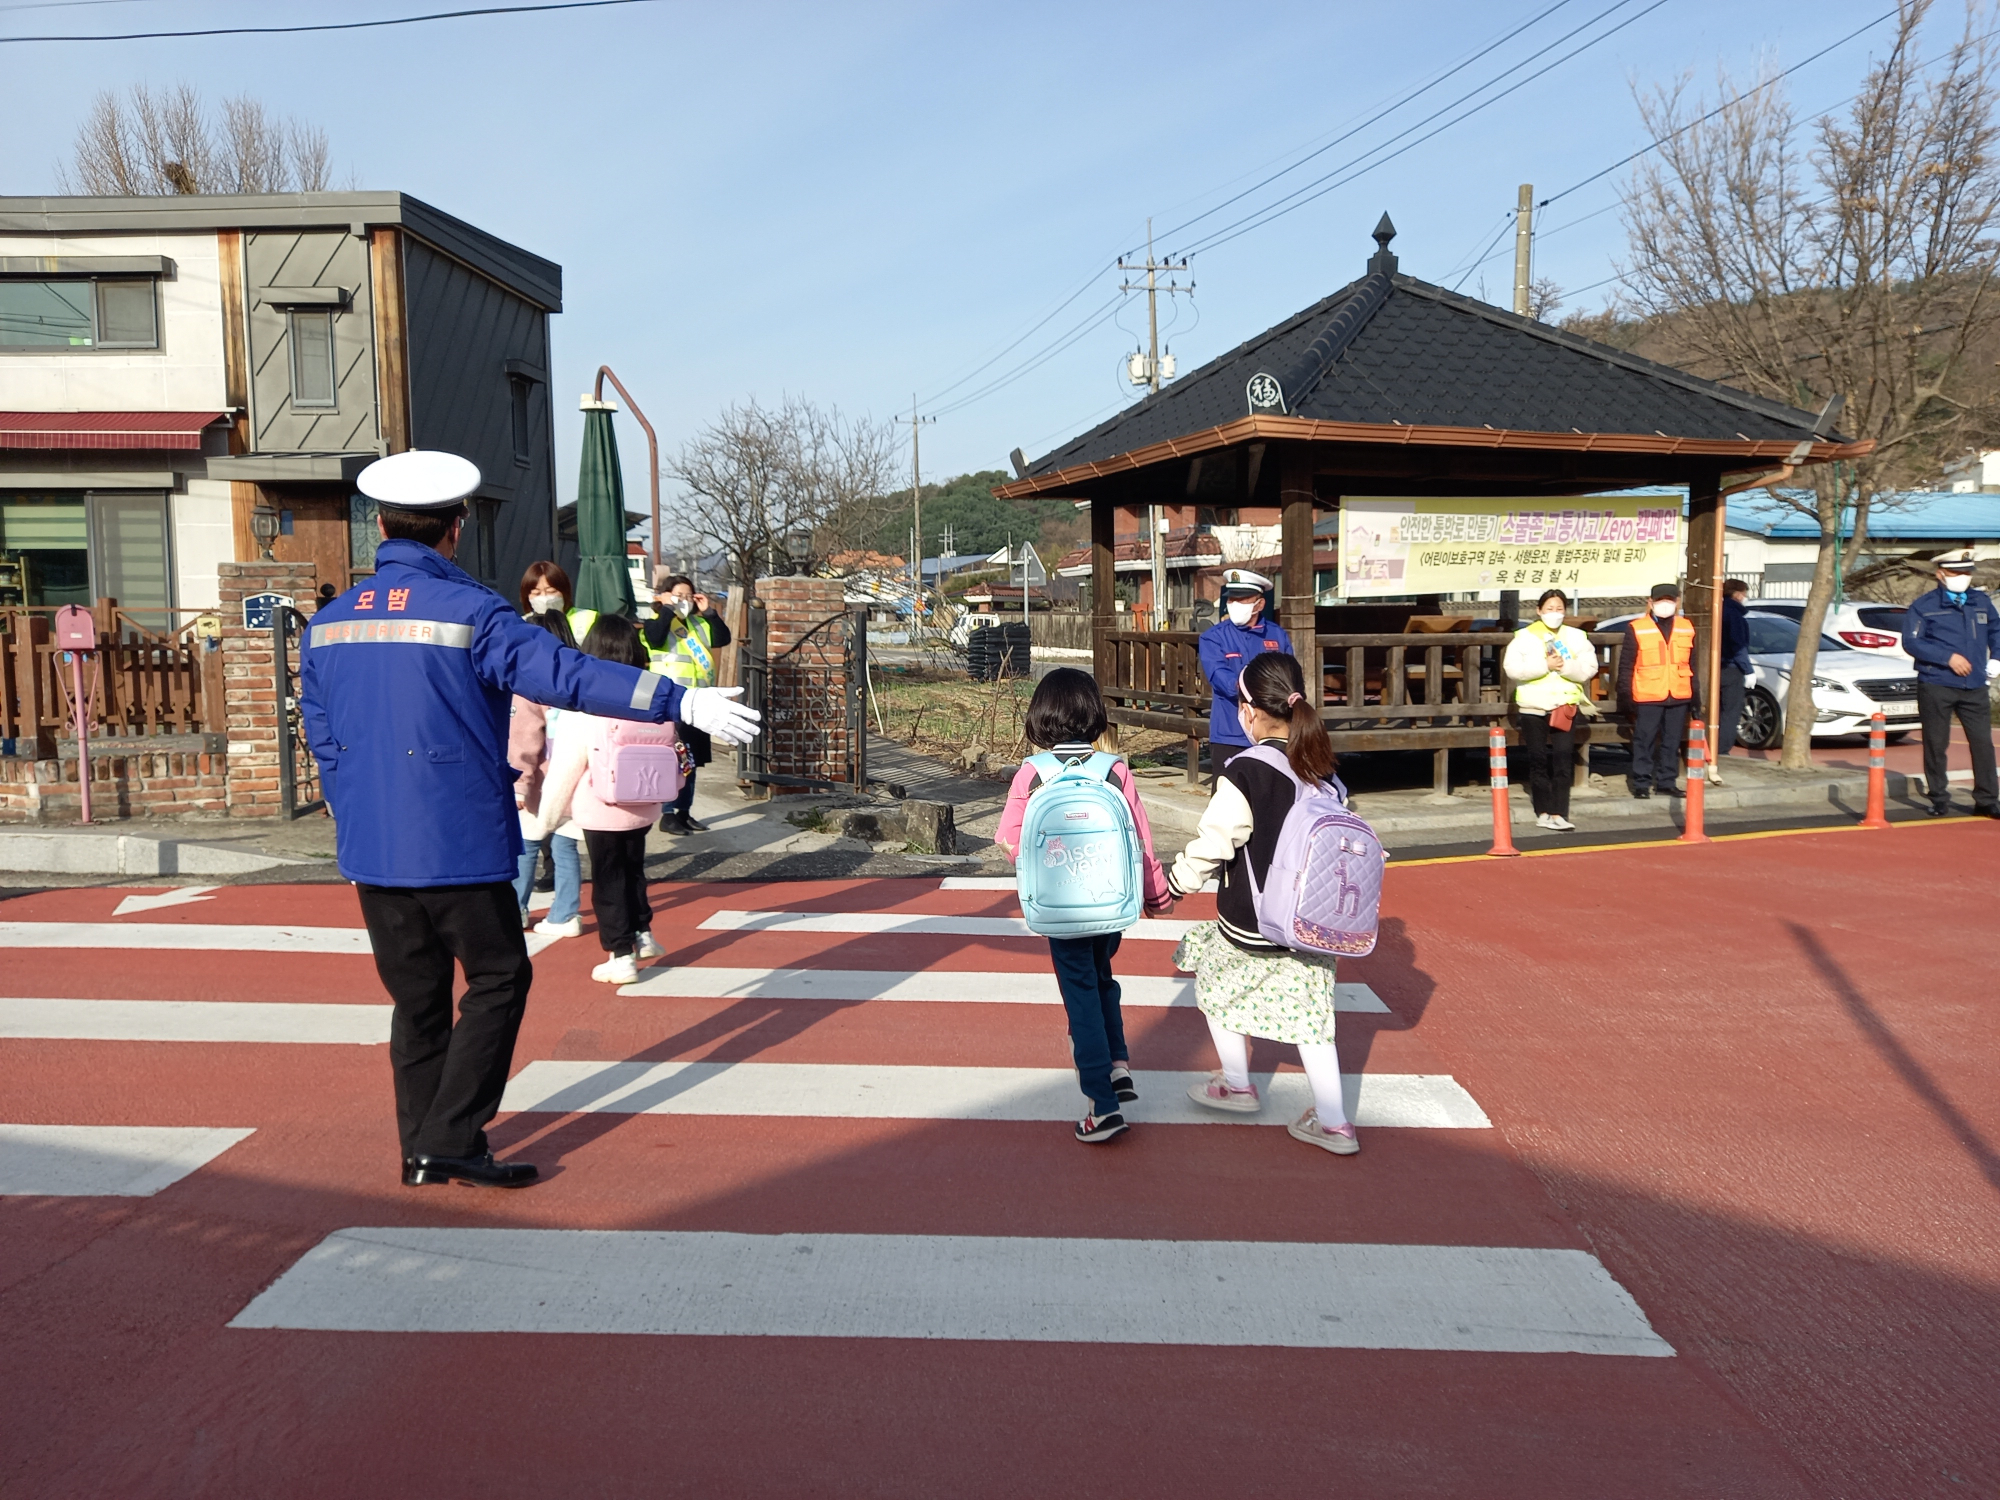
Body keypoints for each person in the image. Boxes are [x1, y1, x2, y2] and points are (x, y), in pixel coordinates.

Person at [299, 449, 760, 1190]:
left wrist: (354, 799)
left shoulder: (326, 624)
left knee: (416, 1001)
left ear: (378, 525)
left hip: (371, 844)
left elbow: (320, 735)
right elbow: (569, 675)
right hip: (458, 841)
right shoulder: (473, 612)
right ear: (455, 530)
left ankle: (420, 1144)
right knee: (498, 978)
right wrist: (680, 700)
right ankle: (449, 1137)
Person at [1167, 651, 1357, 1156]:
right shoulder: (1322, 769)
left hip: (1252, 920)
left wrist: (1176, 883)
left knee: (1218, 992)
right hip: (1312, 924)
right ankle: (1334, 1122)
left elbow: (1216, 842)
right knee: (1314, 1025)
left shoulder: (1245, 770)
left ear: (1248, 711)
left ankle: (1236, 1083)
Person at [995, 668, 1171, 1144]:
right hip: (1109, 904)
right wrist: (1155, 894)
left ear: (1040, 717)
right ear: (1094, 716)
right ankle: (1117, 1066)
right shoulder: (1114, 769)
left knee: (1079, 997)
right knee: (1101, 980)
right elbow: (1141, 841)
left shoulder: (1032, 774)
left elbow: (1008, 837)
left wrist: (1033, 863)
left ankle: (1102, 1103)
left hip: (1060, 908)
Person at [533, 614, 671, 984]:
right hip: (643, 804)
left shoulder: (587, 703)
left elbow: (566, 768)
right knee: (633, 872)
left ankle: (620, 954)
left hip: (601, 808)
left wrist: (546, 820)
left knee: (608, 881)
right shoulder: (650, 696)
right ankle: (643, 934)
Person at [508, 562, 581, 932]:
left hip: (538, 780)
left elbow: (524, 739)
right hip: (573, 775)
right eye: (534, 591)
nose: (542, 597)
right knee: (567, 845)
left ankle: (517, 909)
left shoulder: (528, 684)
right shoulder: (578, 672)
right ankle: (566, 913)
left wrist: (519, 784)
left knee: (527, 844)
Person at [1903, 553, 2000, 818]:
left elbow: (1996, 630)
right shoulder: (1924, 605)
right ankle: (1938, 797)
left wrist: (1997, 658)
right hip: (1937, 683)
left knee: (1982, 743)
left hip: (1974, 684)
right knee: (1936, 743)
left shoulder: (1980, 601)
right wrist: (1947, 658)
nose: (1963, 578)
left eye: (1967, 573)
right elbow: (1912, 642)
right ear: (1940, 574)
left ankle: (1987, 799)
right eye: (1956, 573)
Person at [643, 572, 731, 836]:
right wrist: (668, 609)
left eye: (688, 596)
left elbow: (722, 638)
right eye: (678, 595)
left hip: (697, 703)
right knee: (672, 760)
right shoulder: (655, 623)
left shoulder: (698, 625)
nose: (684, 601)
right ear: (665, 597)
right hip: (669, 704)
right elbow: (656, 639)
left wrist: (710, 613)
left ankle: (684, 812)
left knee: (691, 760)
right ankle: (667, 813)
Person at [1503, 588, 1599, 831]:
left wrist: (1565, 666)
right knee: (1537, 759)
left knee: (1562, 759)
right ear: (1539, 610)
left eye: (1559, 609)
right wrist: (1544, 665)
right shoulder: (1524, 636)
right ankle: (1543, 811)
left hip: (1564, 705)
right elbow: (1513, 669)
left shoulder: (1577, 637)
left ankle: (1560, 812)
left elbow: (1589, 668)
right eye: (1549, 609)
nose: (1554, 613)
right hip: (1533, 705)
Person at [1197, 567, 1293, 768]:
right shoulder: (1214, 637)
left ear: (1260, 603)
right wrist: (1256, 692)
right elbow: (1219, 677)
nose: (1234, 604)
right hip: (1230, 734)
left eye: (1242, 599)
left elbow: (1289, 676)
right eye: (1231, 599)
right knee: (1228, 794)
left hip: (1272, 732)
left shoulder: (1278, 635)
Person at [1618, 583, 1699, 800]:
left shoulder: (1687, 627)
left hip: (1679, 693)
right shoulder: (1637, 628)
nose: (1665, 604)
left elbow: (1692, 664)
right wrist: (1625, 695)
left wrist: (1696, 696)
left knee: (1672, 741)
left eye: (1670, 600)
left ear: (1677, 601)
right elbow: (1626, 665)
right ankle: (1642, 783)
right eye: (1660, 600)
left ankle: (1666, 782)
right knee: (1644, 740)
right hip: (1647, 694)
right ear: (1650, 602)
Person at [1711, 579, 1752, 785]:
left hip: (1713, 667)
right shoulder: (1734, 614)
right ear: (1737, 594)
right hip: (1731, 667)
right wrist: (1748, 669)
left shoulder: (1716, 609)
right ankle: (1722, 748)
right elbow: (1739, 645)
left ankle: (1711, 744)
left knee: (1714, 709)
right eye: (1744, 593)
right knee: (1730, 710)